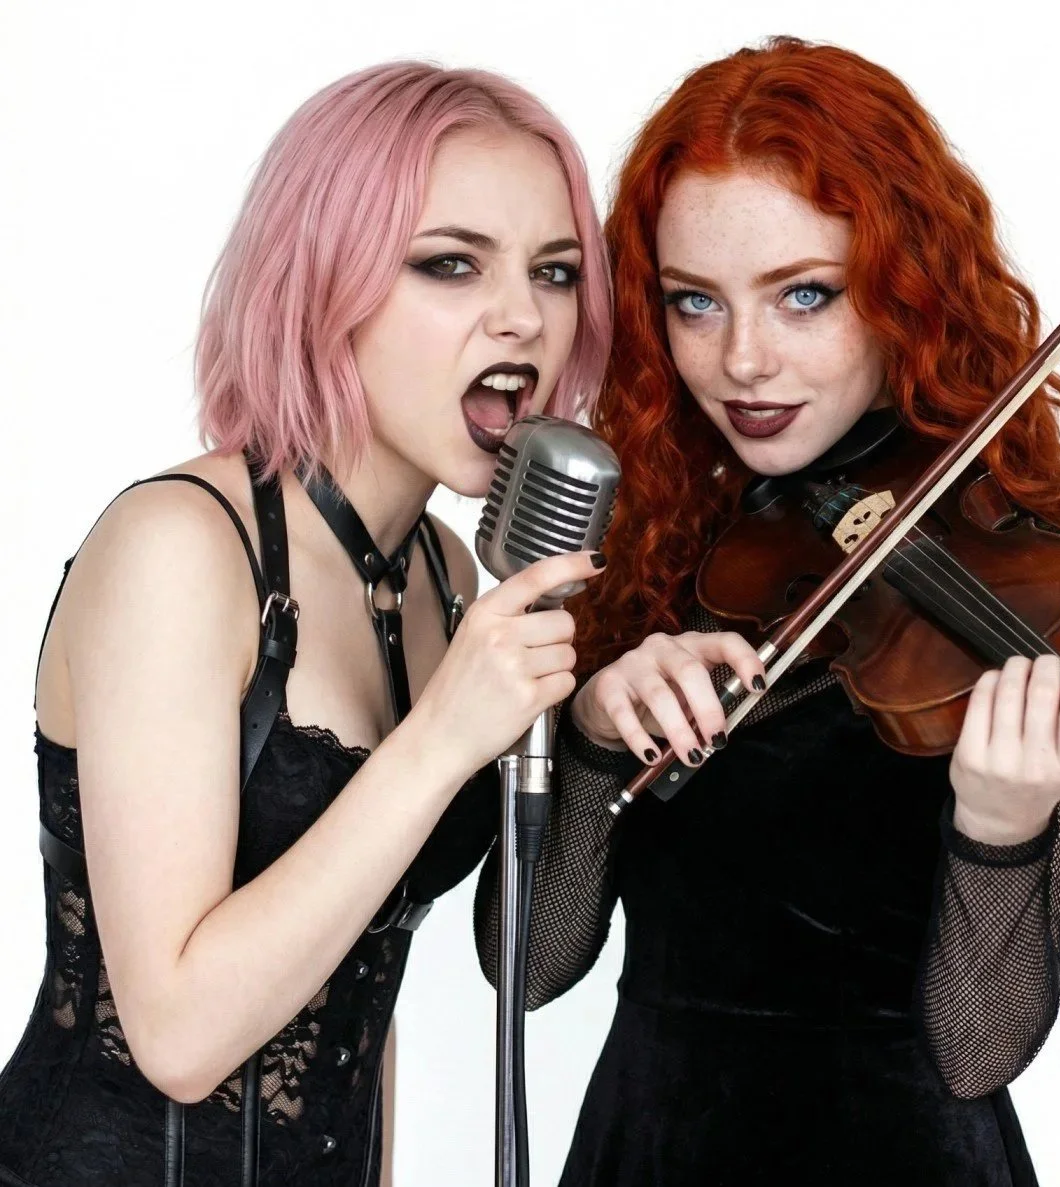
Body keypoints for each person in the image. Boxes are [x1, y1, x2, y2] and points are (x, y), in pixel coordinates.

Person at [475, 36, 1060, 1186]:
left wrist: (999, 827)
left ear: (904, 292)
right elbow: (523, 966)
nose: (741, 360)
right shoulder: (649, 545)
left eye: (803, 295)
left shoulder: (1016, 589)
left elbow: (978, 1048)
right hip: (651, 1146)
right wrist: (585, 735)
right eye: (694, 301)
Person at [0, 61, 610, 1186]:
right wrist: (438, 738)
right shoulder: (180, 551)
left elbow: (353, 986)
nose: (524, 315)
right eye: (448, 263)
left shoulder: (442, 578)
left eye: (556, 271)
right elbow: (178, 1036)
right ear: (322, 284)